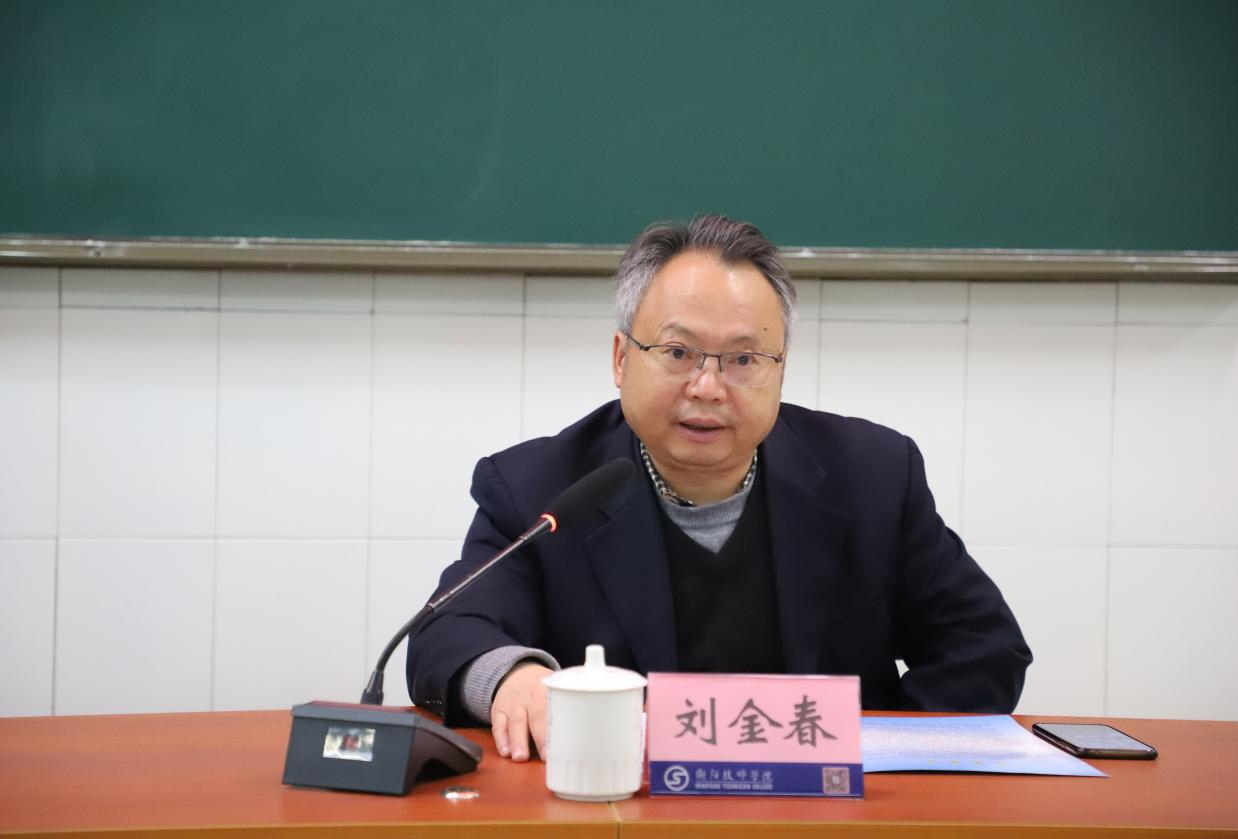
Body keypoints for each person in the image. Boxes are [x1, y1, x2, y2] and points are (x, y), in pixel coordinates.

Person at [407, 214, 1031, 763]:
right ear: (621, 358)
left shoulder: (872, 475)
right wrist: (511, 678)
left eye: (743, 360)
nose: (707, 387)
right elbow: (450, 633)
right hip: (619, 810)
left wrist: (874, 755)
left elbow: (983, 646)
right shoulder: (538, 488)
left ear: (780, 371)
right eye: (678, 352)